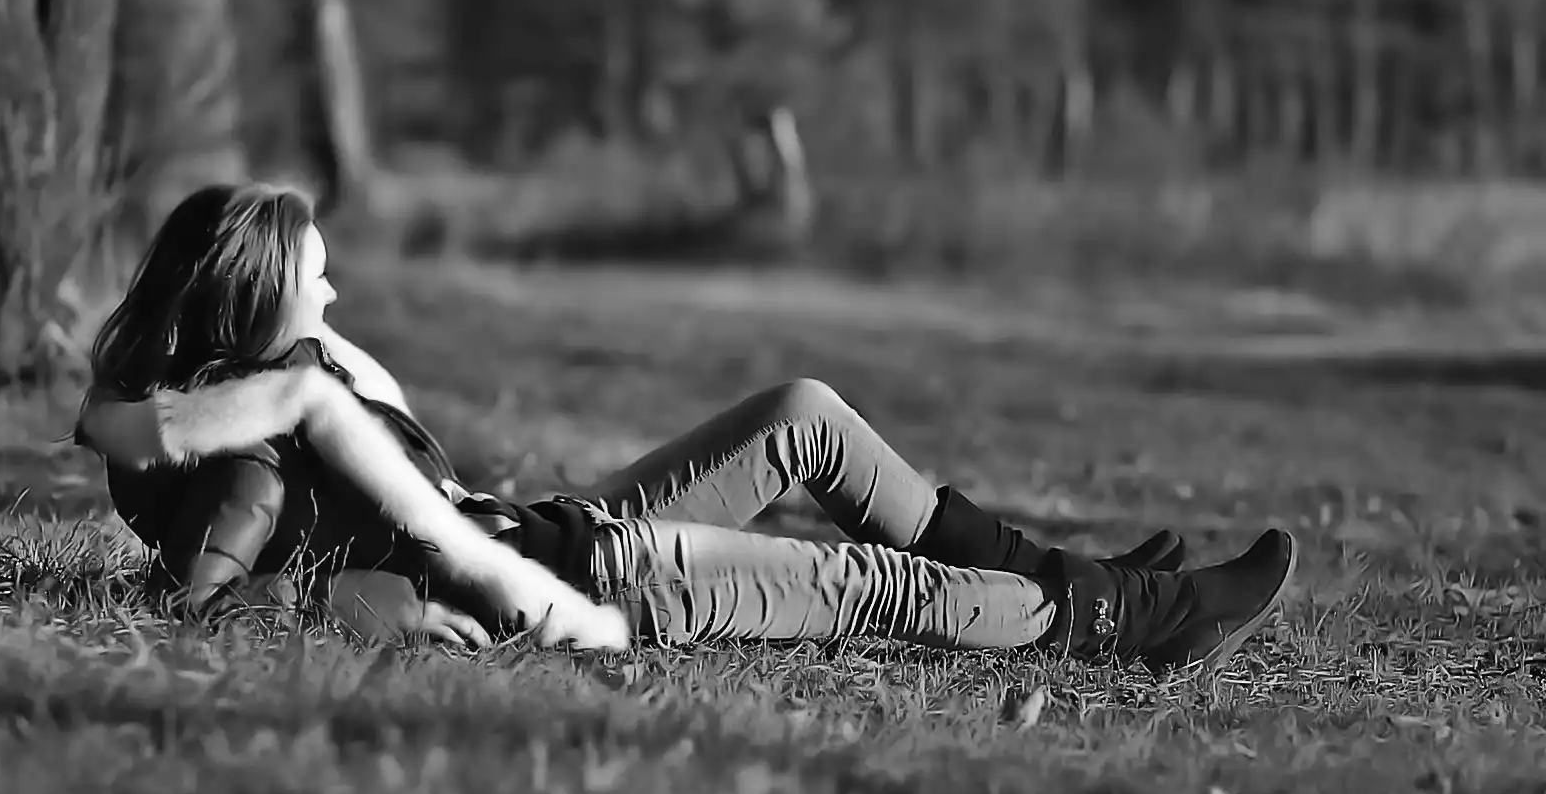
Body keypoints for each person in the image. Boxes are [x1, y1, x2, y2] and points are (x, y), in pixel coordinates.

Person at [75, 183, 1296, 669]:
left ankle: (1049, 570)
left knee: (802, 417)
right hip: (601, 579)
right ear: (256, 302)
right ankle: (1136, 619)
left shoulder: (274, 381)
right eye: (318, 277)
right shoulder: (249, 458)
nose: (335, 297)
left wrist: (299, 359)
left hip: (565, 531)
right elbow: (227, 601)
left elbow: (150, 416)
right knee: (872, 583)